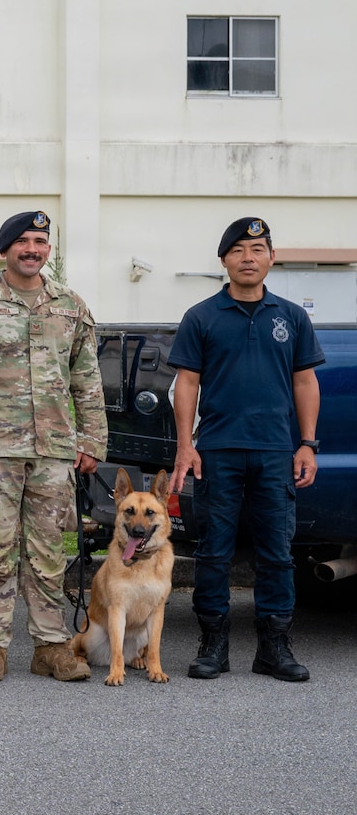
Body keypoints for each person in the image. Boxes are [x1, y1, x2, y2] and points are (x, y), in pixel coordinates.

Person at [0, 209, 107, 682]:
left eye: (41, 241)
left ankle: (50, 646)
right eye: (23, 241)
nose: (32, 249)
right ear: (5, 248)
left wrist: (91, 438)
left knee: (49, 550)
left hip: (53, 450)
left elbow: (87, 378)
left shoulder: (70, 305)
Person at [167, 217, 323, 682]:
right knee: (214, 551)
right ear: (223, 261)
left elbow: (305, 381)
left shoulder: (291, 317)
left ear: (272, 258)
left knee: (277, 552)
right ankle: (213, 645)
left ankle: (274, 648)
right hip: (217, 451)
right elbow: (187, 383)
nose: (247, 258)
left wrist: (307, 444)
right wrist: (184, 445)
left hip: (276, 452)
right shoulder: (202, 316)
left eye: (257, 249)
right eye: (237, 250)